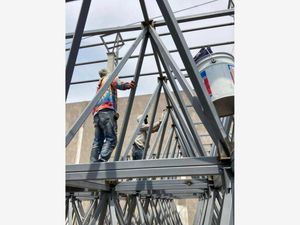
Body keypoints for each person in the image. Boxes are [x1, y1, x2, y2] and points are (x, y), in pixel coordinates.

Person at [90, 68, 135, 163]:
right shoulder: (110, 77)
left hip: (97, 114)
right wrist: (128, 85)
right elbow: (118, 83)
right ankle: (102, 160)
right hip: (107, 111)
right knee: (111, 139)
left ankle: (93, 161)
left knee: (98, 140)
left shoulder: (100, 84)